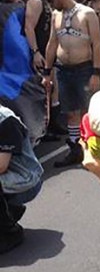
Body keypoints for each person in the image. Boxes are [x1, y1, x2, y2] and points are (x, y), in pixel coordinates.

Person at [41, 0, 100, 167]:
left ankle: (93, 149)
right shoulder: (56, 15)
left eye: (52, 0)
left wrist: (96, 72)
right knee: (70, 112)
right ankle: (75, 149)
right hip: (63, 70)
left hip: (84, 68)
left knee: (87, 110)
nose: (51, 4)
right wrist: (47, 72)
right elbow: (52, 43)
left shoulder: (87, 13)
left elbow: (97, 43)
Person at [24, 0, 64, 138]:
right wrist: (35, 52)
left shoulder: (46, 2)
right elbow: (29, 27)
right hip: (39, 52)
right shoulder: (36, 1)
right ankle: (43, 129)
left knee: (51, 89)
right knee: (43, 89)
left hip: (48, 53)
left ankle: (53, 124)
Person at [0, 103, 43, 254]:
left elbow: (1, 166)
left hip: (25, 179)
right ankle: (9, 210)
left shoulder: (5, 120)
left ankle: (10, 231)